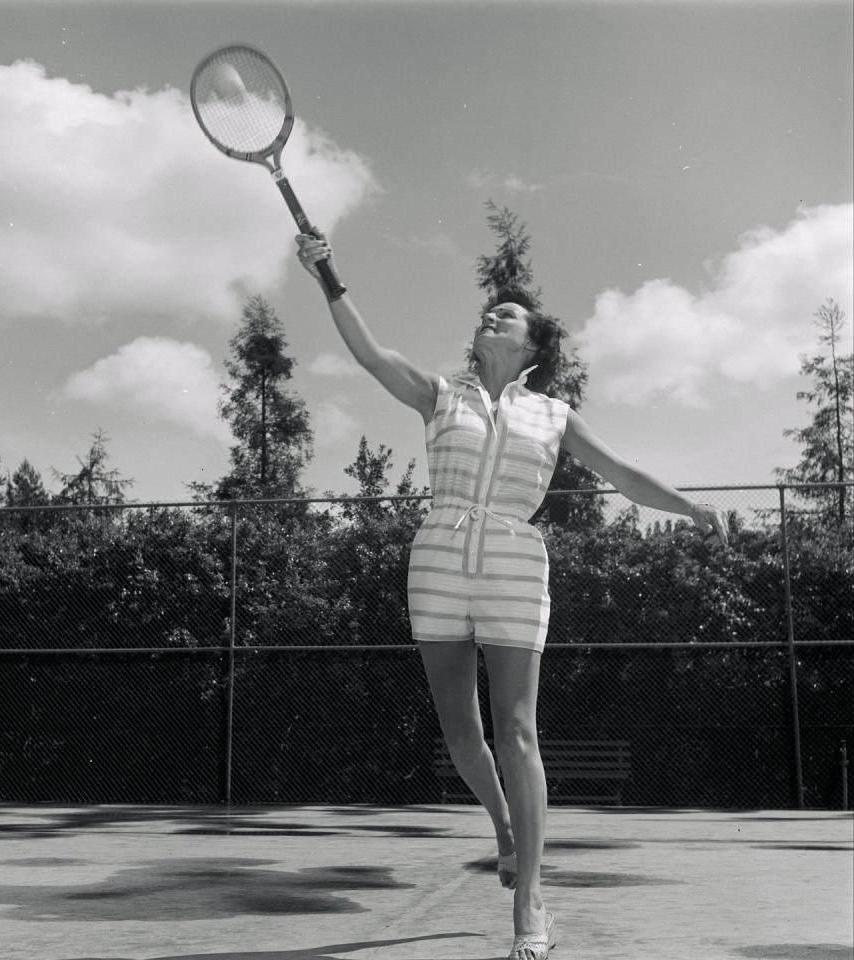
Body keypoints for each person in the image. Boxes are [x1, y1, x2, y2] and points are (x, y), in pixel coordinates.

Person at [295, 233, 728, 960]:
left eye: (507, 315)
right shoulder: (440, 394)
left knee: (518, 731)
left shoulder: (554, 415)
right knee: (463, 735)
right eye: (487, 313)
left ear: (532, 346)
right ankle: (499, 823)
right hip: (436, 560)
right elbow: (371, 356)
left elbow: (622, 473)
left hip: (514, 565)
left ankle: (530, 903)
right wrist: (326, 276)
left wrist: (690, 508)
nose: (491, 318)